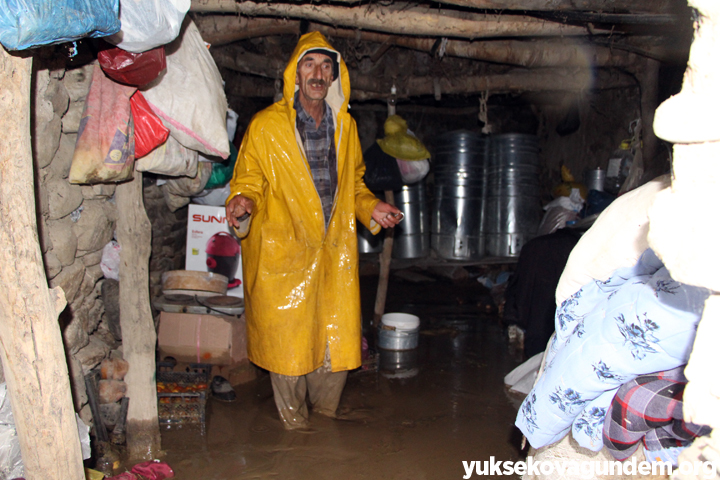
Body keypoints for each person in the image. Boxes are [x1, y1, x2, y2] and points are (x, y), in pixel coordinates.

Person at [225, 31, 401, 430]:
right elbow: (248, 179)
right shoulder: (267, 127)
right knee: (288, 355)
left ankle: (323, 433)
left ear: (335, 76)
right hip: (282, 257)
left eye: (326, 66)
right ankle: (296, 441)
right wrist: (243, 201)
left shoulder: (347, 127)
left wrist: (373, 206)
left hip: (332, 256)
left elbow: (353, 185)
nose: (318, 74)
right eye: (310, 64)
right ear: (295, 73)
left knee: (331, 351)